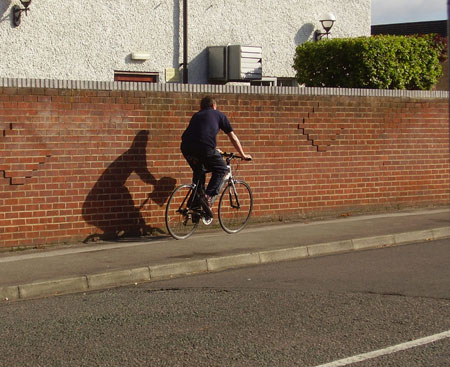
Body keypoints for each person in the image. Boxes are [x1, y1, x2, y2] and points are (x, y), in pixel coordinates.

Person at [181, 96, 252, 217]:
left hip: (187, 149)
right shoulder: (219, 115)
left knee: (199, 173)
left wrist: (214, 150)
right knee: (222, 170)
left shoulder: (196, 115)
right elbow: (233, 137)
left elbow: (200, 134)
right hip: (205, 148)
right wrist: (243, 155)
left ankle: (193, 206)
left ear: (201, 107)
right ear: (214, 106)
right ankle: (207, 198)